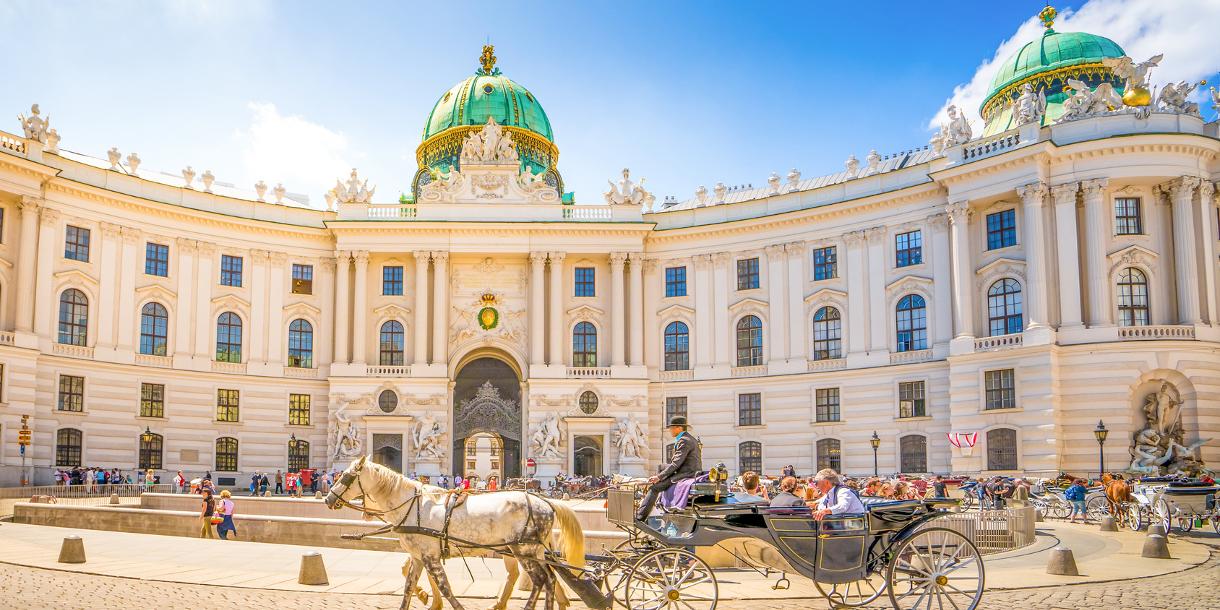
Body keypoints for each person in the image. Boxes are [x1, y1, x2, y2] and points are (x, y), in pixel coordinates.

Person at [635, 416, 702, 521]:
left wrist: (659, 477)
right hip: (687, 470)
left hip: (687, 473)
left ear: (679, 428)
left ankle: (640, 517)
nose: (669, 430)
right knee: (661, 467)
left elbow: (676, 464)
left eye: (671, 428)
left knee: (655, 488)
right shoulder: (687, 438)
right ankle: (658, 500)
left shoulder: (684, 441)